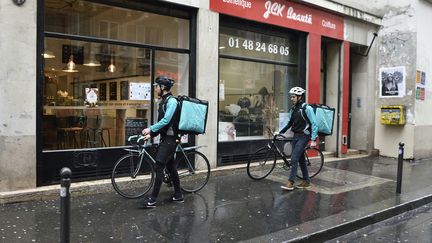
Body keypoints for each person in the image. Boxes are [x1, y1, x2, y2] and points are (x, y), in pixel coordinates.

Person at [141, 76, 183, 208]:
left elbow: (166, 121)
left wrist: (151, 129)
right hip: (167, 138)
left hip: (171, 139)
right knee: (170, 167)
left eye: (157, 86)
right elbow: (164, 125)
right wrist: (152, 134)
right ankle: (178, 194)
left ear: (163, 87)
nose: (156, 89)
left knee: (159, 166)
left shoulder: (172, 102)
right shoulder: (163, 101)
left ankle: (152, 200)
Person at [277, 86, 318, 191]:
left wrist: (313, 139)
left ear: (300, 97)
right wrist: (280, 132)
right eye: (291, 97)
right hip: (295, 136)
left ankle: (291, 182)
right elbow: (290, 123)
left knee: (294, 159)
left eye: (294, 97)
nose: (292, 98)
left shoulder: (307, 108)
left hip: (304, 136)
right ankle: (306, 181)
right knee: (301, 160)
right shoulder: (293, 109)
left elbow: (314, 123)